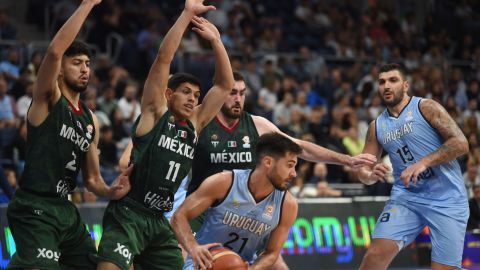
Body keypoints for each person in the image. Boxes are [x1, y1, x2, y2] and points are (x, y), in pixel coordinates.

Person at [119, 71, 377, 269]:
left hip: (248, 211)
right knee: (187, 258)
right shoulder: (198, 120)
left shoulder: (257, 125)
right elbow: (149, 140)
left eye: (242, 93)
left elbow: (298, 148)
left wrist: (347, 160)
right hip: (205, 209)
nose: (237, 99)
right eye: (231, 92)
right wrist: (131, 163)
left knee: (277, 263)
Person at [95, 0, 234, 269]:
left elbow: (225, 85)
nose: (193, 99)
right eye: (186, 92)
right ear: (169, 94)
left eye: (196, 95)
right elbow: (163, 59)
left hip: (159, 219)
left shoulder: (194, 125)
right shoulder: (155, 113)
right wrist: (186, 15)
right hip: (129, 213)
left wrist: (217, 42)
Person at [6, 0, 132, 269]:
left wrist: (112, 191)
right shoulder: (48, 99)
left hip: (65, 210)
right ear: (61, 70)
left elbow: (93, 179)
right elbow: (53, 52)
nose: (85, 68)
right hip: (34, 206)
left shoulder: (91, 121)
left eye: (87, 63)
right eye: (77, 63)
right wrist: (87, 4)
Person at [357, 63, 469, 270]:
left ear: (406, 85)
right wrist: (370, 175)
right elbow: (362, 171)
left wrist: (424, 162)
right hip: (406, 197)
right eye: (382, 82)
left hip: (447, 196)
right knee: (374, 257)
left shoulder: (426, 107)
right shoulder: (376, 126)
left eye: (393, 80)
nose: (386, 86)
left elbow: (460, 143)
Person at [171, 132, 302, 270]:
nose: (294, 173)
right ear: (268, 162)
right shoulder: (224, 182)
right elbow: (179, 216)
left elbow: (272, 253)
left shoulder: (287, 204)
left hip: (243, 266)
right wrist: (193, 248)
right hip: (205, 264)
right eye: (289, 165)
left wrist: (252, 269)